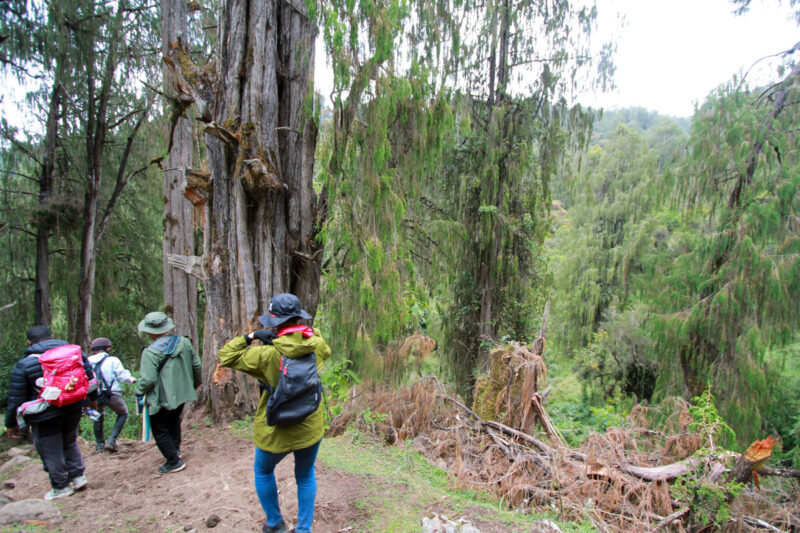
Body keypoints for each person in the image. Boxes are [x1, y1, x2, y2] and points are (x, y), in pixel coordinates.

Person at [218, 293, 331, 533]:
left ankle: (275, 523)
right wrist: (303, 334)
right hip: (310, 426)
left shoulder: (265, 355)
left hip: (275, 429)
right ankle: (303, 529)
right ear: (299, 318)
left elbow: (226, 356)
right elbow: (322, 343)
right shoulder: (316, 346)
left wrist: (252, 337)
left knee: (263, 470)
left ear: (274, 323)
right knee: (305, 475)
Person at [4, 325, 98, 500]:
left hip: (44, 414)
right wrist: (92, 401)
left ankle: (61, 486)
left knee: (50, 449)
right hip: (73, 406)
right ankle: (78, 477)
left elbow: (16, 397)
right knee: (69, 441)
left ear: (29, 342)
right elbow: (90, 379)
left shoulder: (25, 364)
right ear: (52, 336)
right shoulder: (74, 353)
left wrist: (11, 424)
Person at [134, 311, 202, 474]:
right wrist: (196, 383)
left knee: (160, 429)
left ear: (150, 331)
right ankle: (175, 451)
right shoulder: (184, 343)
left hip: (161, 396)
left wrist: (139, 391)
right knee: (173, 421)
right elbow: (197, 365)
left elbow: (148, 379)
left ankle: (173, 461)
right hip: (182, 393)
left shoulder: (150, 353)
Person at [88, 337, 137, 452]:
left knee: (97, 416)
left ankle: (99, 444)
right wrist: (131, 380)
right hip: (111, 393)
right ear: (108, 348)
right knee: (123, 413)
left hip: (94, 395)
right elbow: (122, 376)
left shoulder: (88, 360)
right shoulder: (113, 360)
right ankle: (111, 441)